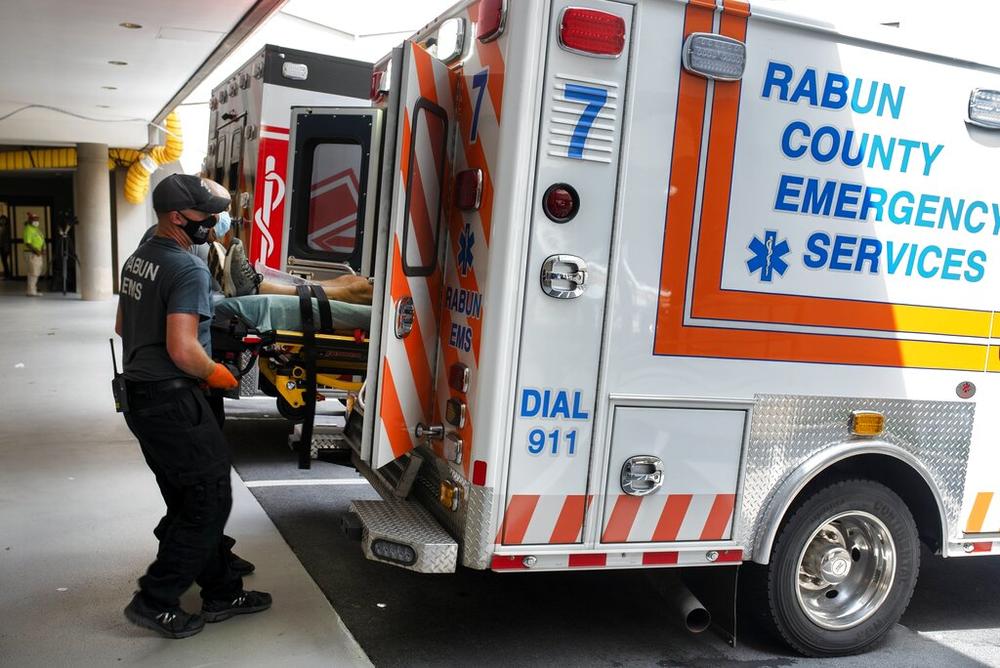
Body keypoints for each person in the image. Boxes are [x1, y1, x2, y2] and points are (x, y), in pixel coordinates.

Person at [115, 174, 271, 639]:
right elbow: (184, 350)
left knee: (189, 497)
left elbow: (125, 325)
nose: (214, 222)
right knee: (208, 500)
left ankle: (222, 590)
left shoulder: (138, 259)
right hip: (174, 399)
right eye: (206, 214)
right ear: (179, 217)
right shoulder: (189, 268)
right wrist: (216, 373)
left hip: (142, 399)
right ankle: (156, 598)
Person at [22, 213, 45, 296]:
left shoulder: (36, 229)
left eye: (37, 220)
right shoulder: (28, 229)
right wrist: (36, 251)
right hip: (32, 253)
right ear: (29, 220)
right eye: (34, 220)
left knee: (37, 271)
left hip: (37, 253)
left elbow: (41, 239)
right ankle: (31, 291)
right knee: (33, 272)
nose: (36, 221)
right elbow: (28, 243)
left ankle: (33, 289)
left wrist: (43, 248)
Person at [0, 214, 11, 279]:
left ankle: (7, 274)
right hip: (1, 246)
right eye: (1, 220)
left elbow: (7, 238)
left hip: (5, 247)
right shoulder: (1, 227)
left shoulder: (7, 228)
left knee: (5, 261)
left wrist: (7, 248)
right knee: (3, 261)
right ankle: (6, 274)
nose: (2, 221)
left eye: (4, 220)